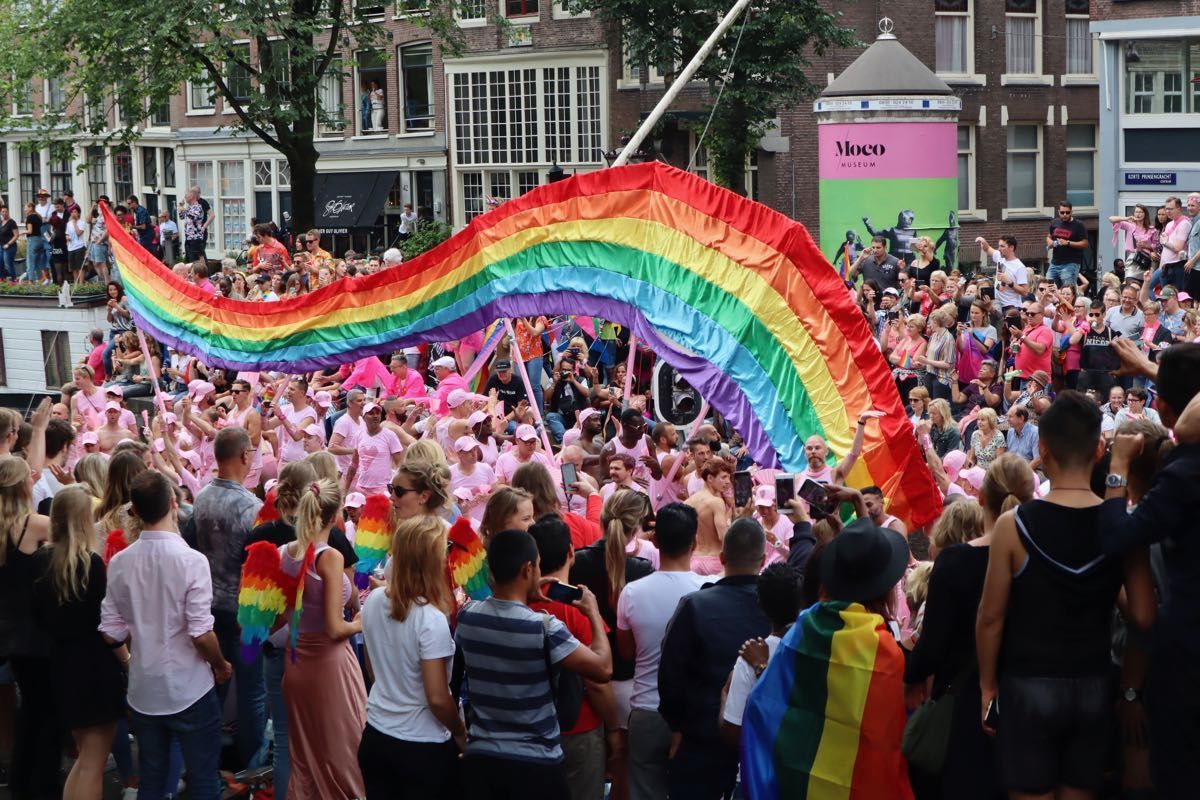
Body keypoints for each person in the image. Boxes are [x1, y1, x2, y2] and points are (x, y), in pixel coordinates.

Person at [977, 392, 1155, 799]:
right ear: (1099, 449)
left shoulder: (1012, 524)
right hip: (1092, 687)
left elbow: (990, 618)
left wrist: (988, 686)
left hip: (1027, 686)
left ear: (1042, 449)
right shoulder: (1124, 527)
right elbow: (1144, 615)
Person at [740, 516, 914, 800]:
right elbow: (887, 742)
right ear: (884, 588)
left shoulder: (803, 628)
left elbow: (764, 706)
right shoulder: (884, 650)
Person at [1094, 342, 1200, 795]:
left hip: (1186, 654)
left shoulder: (1184, 475)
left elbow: (1118, 538)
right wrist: (1154, 371)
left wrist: (1116, 465)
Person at [906, 454, 1034, 799]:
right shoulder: (1039, 558)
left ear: (979, 499)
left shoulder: (955, 561)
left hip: (966, 708)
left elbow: (932, 647)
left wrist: (909, 671)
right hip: (1032, 703)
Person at [99, 470, 231, 800]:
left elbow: (111, 632)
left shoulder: (121, 563)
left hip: (145, 690)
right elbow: (201, 633)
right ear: (173, 504)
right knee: (203, 779)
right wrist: (220, 664)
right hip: (190, 689)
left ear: (137, 512)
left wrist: (137, 650)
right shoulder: (192, 561)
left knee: (153, 781)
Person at [454, 528, 613, 800]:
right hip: (536, 763)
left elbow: (502, 615)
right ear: (528, 569)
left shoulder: (467, 617)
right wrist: (593, 613)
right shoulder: (544, 627)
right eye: (537, 565)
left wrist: (524, 597)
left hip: (483, 759)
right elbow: (602, 668)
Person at [658, 518, 770, 800]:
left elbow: (670, 676)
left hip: (701, 739)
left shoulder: (695, 605)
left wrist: (676, 727)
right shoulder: (779, 607)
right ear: (764, 559)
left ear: (722, 557)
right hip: (759, 741)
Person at [31, 485, 128, 800]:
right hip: (96, 668)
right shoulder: (91, 564)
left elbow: (37, 619)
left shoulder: (42, 562)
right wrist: (126, 660)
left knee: (84, 759)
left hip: (61, 665)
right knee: (93, 761)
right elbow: (106, 625)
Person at [358, 515, 464, 800]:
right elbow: (438, 698)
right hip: (421, 747)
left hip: (377, 735)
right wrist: (460, 732)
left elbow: (373, 669)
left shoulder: (374, 602)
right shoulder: (431, 619)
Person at [279, 478, 367, 799]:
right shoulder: (328, 557)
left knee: (304, 757)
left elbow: (275, 617)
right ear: (334, 516)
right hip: (329, 668)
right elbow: (334, 627)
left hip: (296, 664)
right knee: (344, 755)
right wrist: (361, 622)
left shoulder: (284, 553)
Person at [614, 503, 703, 800]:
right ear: (694, 542)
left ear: (655, 540)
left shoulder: (632, 593)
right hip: (693, 711)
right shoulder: (707, 590)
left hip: (647, 711)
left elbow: (626, 653)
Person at [191, 427, 265, 767]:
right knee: (252, 691)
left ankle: (206, 758)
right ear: (244, 456)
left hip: (209, 606)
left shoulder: (202, 497)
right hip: (243, 611)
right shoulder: (252, 507)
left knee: (214, 683)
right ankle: (250, 766)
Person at [528, 514, 616, 800]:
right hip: (579, 729)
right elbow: (599, 681)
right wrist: (614, 728)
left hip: (531, 728)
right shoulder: (580, 608)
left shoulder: (517, 601)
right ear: (570, 552)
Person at [0, 456, 56, 800]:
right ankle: (41, 786)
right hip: (37, 633)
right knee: (46, 711)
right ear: (24, 486)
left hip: (8, 635)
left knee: (29, 709)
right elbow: (75, 542)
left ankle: (22, 781)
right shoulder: (33, 524)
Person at [718, 563, 804, 742]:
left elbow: (731, 731)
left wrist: (724, 693)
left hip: (761, 766)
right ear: (802, 602)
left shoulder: (750, 658)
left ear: (760, 604)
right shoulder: (816, 648)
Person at [684, 460, 734, 576]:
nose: (728, 482)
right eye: (724, 477)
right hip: (715, 561)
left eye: (729, 477)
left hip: (694, 560)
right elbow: (723, 537)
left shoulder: (688, 502)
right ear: (710, 478)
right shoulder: (716, 502)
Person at [976, 235, 1029, 311]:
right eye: (999, 246)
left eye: (1002, 246)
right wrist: (983, 241)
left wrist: (1010, 283)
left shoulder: (1019, 267)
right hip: (997, 304)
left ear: (1011, 248)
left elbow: (1025, 292)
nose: (999, 249)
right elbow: (987, 248)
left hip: (1011, 307)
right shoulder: (1000, 257)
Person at [1046, 201, 1089, 288]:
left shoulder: (1078, 225)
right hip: (1055, 262)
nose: (1065, 214)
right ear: (1058, 212)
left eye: (1067, 212)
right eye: (1062, 212)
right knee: (1049, 286)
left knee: (1067, 290)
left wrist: (1068, 243)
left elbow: (1085, 244)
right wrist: (1050, 242)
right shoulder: (1054, 223)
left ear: (1071, 212)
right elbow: (1048, 236)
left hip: (1070, 263)